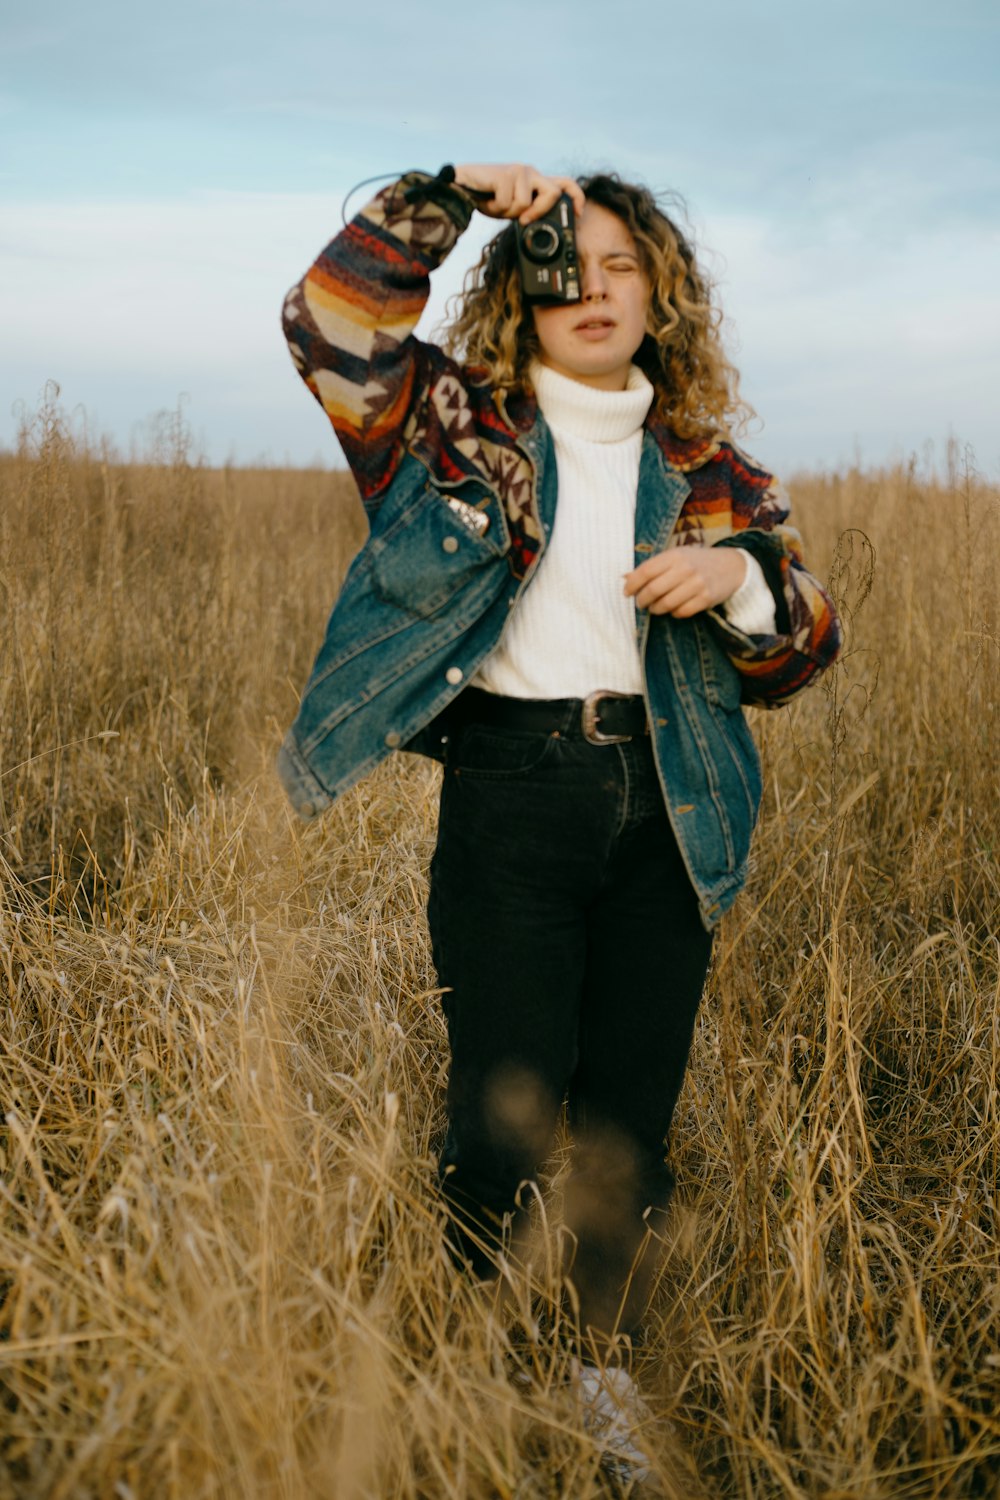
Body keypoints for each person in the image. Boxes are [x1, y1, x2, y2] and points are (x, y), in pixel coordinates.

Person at [278, 162, 840, 1475]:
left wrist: (741, 581)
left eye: (623, 264)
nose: (592, 287)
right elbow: (329, 323)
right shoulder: (443, 431)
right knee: (500, 1109)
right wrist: (445, 195)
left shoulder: (716, 473)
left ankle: (602, 1377)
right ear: (518, 294)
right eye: (561, 262)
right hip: (511, 798)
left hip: (669, 814)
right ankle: (481, 1359)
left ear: (664, 293)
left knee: (627, 1118)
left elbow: (804, 647)